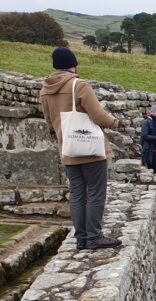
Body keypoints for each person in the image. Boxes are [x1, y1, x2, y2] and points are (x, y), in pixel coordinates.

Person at [39, 46, 121, 250]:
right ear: (74, 64)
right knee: (95, 193)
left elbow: (49, 122)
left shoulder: (45, 89)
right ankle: (94, 237)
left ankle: (82, 238)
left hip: (67, 148)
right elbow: (98, 116)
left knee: (76, 193)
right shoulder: (79, 85)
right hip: (90, 149)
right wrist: (115, 122)